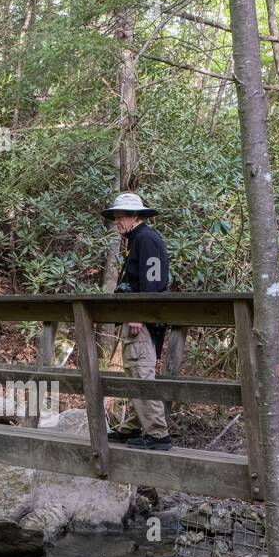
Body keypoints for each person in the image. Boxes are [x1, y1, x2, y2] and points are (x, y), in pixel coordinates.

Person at [103, 192, 171, 450]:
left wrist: (139, 314)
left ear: (135, 217)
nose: (117, 222)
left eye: (120, 217)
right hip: (137, 316)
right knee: (134, 370)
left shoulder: (147, 239)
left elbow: (153, 281)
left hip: (141, 318)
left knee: (140, 371)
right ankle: (131, 426)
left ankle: (157, 434)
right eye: (116, 217)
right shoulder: (137, 240)